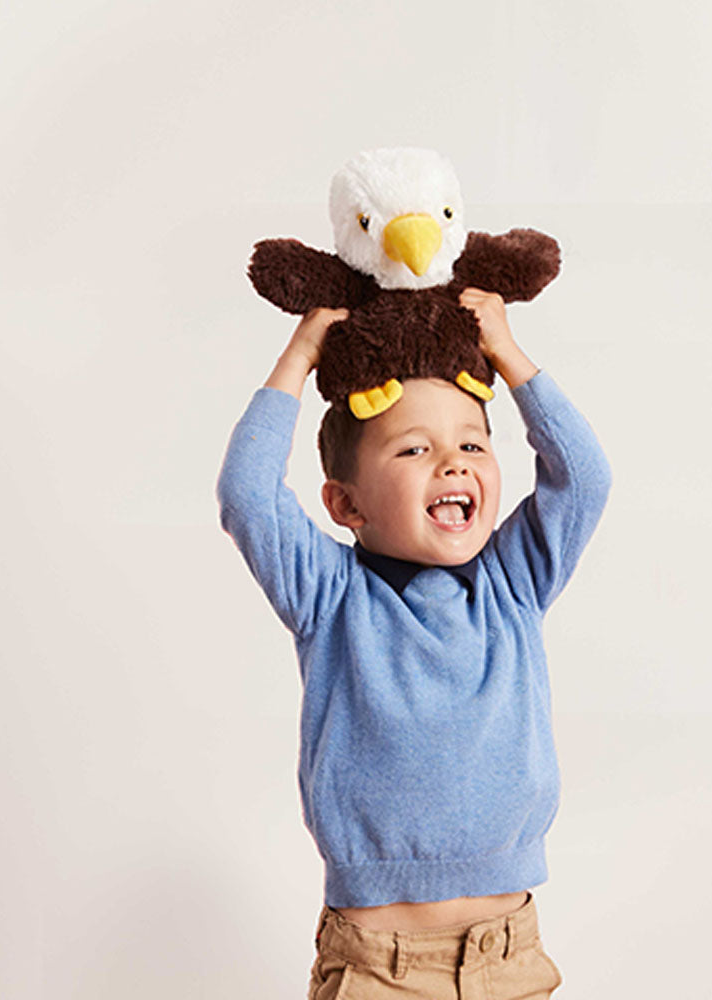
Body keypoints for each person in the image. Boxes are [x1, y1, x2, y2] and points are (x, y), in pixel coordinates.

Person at [215, 287, 611, 998]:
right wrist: (299, 359)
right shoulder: (329, 595)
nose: (453, 464)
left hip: (509, 952)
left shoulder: (513, 582)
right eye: (414, 448)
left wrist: (509, 358)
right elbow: (248, 495)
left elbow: (583, 480)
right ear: (346, 504)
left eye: (471, 444)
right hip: (379, 963)